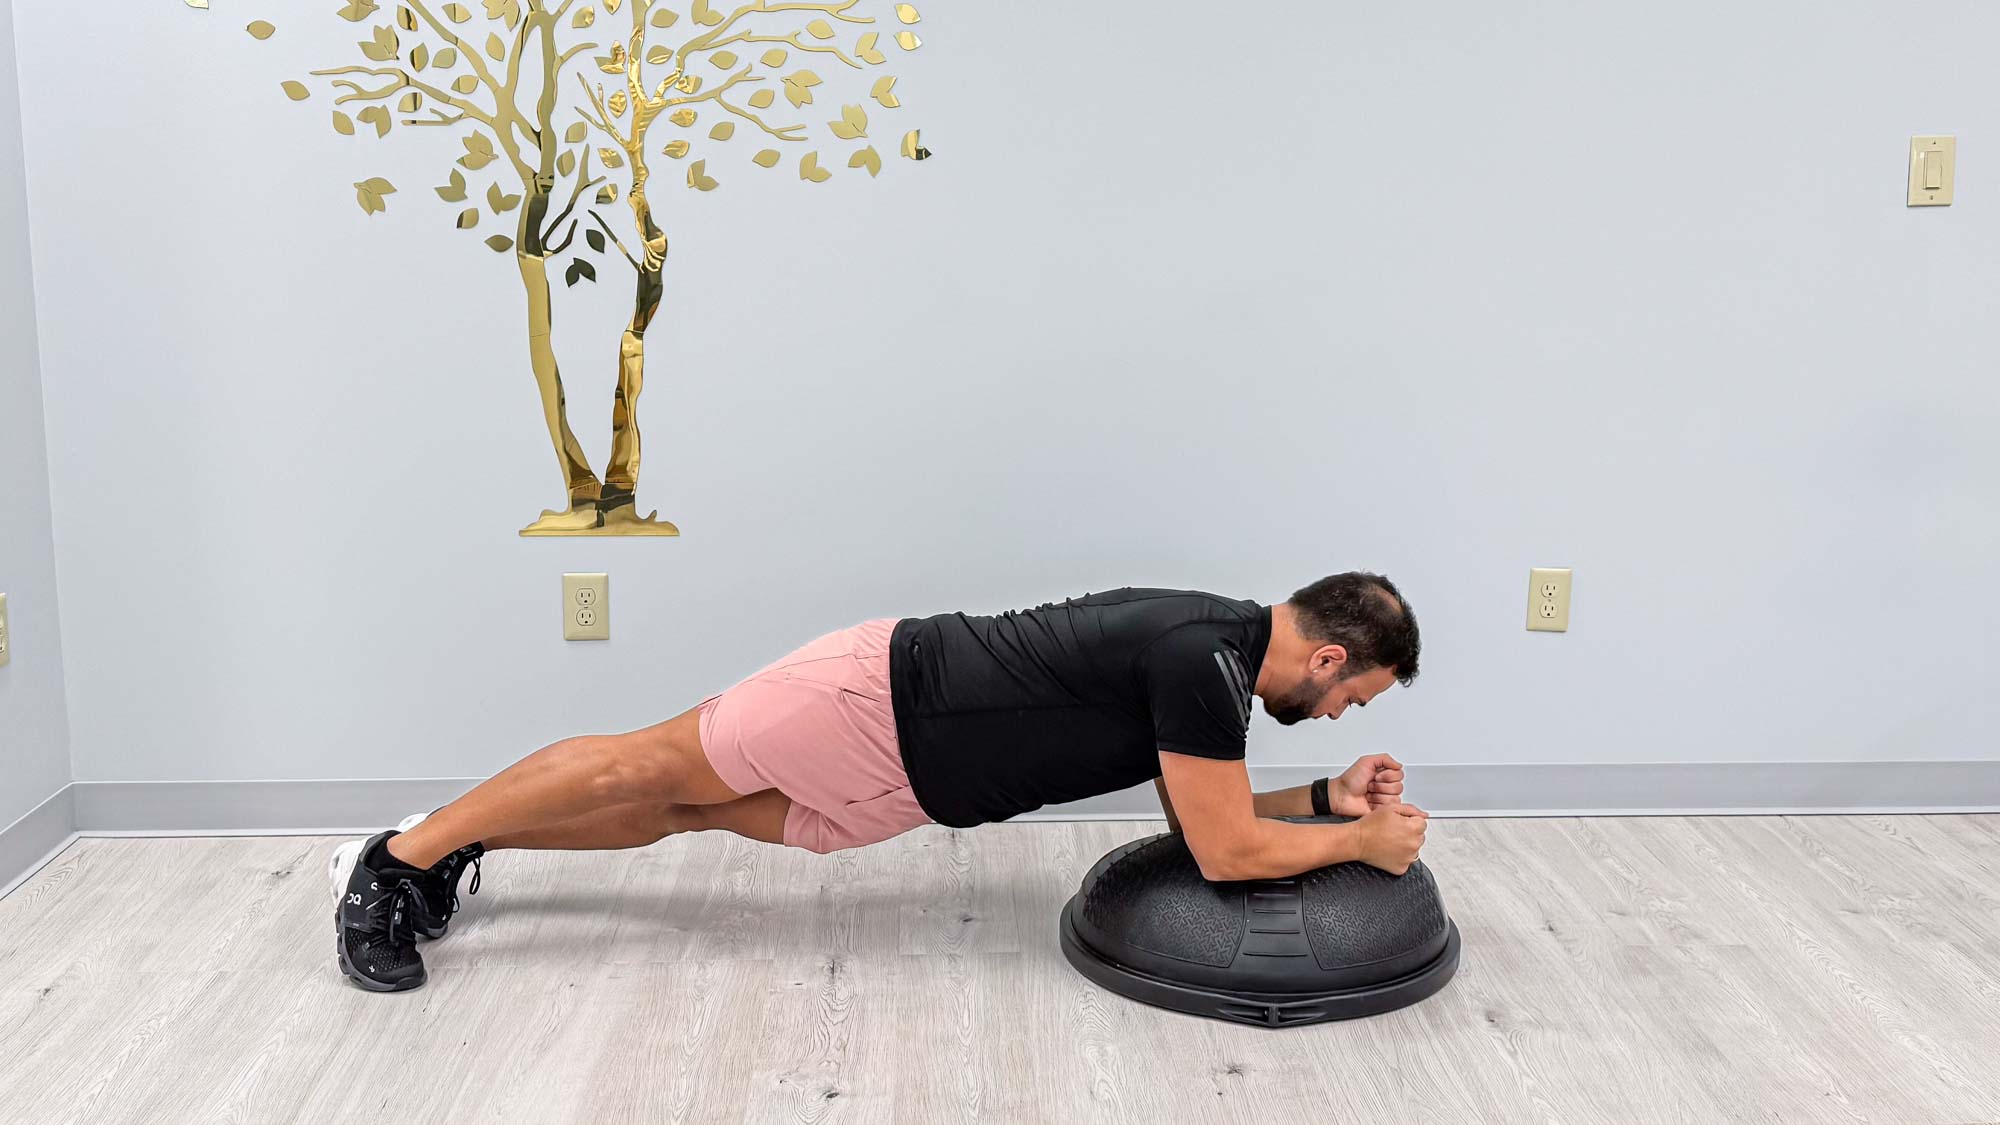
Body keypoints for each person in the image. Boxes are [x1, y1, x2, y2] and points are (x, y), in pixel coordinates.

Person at [330, 572, 1429, 991]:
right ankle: (395, 865)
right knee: (643, 764)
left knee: (664, 813)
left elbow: (1215, 817)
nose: (1337, 716)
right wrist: (1358, 846)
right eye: (1353, 698)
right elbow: (1225, 856)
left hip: (902, 782)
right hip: (872, 707)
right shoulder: (1204, 659)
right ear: (1330, 657)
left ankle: (453, 842)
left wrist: (1323, 803)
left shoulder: (1216, 667)